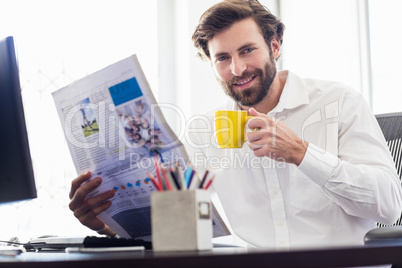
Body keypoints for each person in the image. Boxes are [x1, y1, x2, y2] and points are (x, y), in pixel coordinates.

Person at [68, 0, 402, 248]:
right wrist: (107, 226)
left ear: (275, 46)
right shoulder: (205, 134)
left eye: (247, 50)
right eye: (223, 58)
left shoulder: (338, 102)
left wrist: (301, 153)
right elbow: (181, 233)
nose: (238, 69)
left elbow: (388, 206)